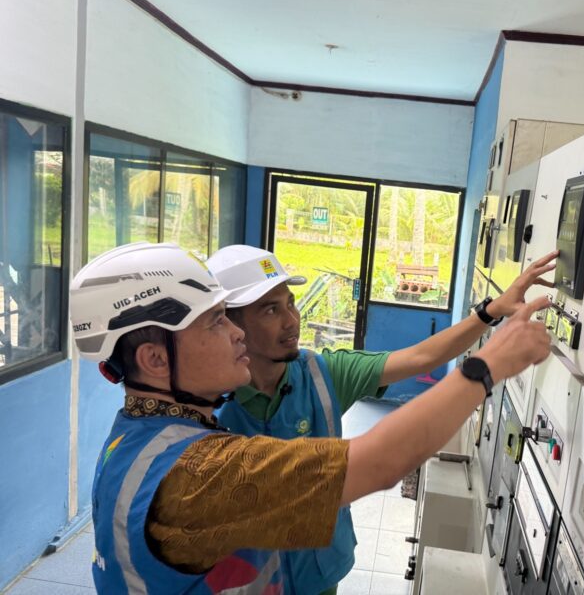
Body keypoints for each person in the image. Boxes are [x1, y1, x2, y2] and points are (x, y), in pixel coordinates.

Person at [72, 241, 552, 594]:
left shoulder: (139, 436)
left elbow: (418, 359)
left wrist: (486, 315)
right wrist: (487, 367)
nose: (235, 334)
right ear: (156, 360)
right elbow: (379, 463)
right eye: (217, 321)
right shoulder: (197, 475)